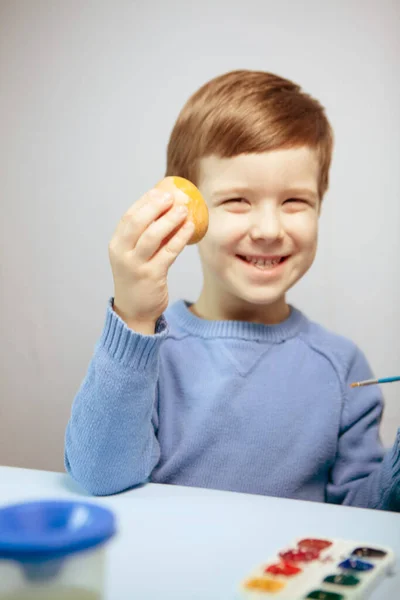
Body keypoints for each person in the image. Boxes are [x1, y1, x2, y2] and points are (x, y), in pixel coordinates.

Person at [65, 70, 400, 511]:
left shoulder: (343, 368)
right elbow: (98, 477)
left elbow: (364, 518)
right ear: (184, 208)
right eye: (238, 200)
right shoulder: (147, 351)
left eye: (295, 201)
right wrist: (133, 318)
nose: (268, 229)